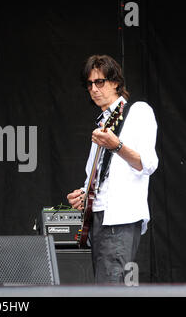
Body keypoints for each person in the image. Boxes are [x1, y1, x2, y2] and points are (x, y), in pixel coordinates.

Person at [67, 55, 158, 284]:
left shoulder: (137, 112)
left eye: (100, 82)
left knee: (112, 285)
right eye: (90, 84)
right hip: (97, 217)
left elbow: (147, 163)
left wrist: (116, 145)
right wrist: (82, 194)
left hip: (119, 219)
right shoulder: (103, 124)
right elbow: (95, 177)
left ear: (116, 82)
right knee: (104, 285)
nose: (94, 89)